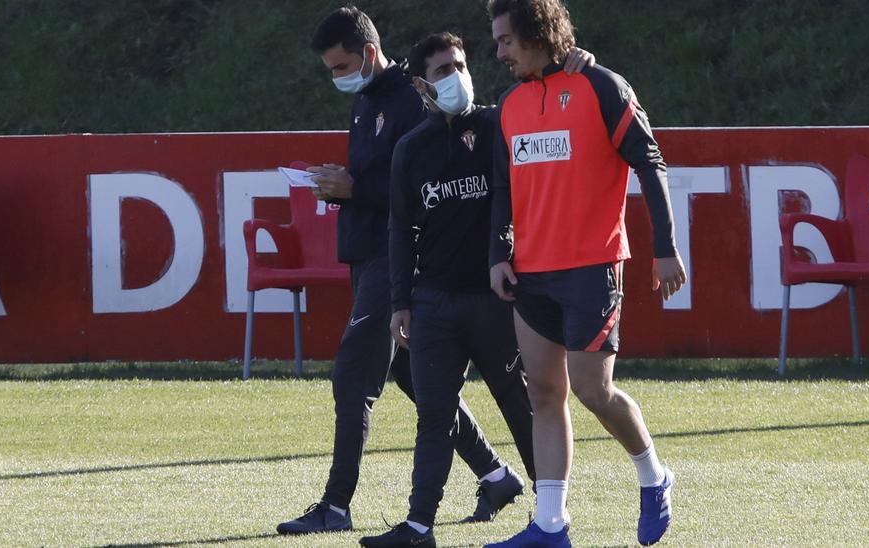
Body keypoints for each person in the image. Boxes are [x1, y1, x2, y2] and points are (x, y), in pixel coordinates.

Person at [276, 7, 526, 535]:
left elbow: (416, 194)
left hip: (397, 262)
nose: (338, 76)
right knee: (417, 382)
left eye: (342, 64)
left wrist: (353, 189)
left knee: (352, 375)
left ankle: (337, 505)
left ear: (369, 53)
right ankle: (495, 474)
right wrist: (342, 186)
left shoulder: (413, 100)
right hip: (367, 256)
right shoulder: (367, 101)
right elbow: (379, 181)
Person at [359, 33, 592, 548]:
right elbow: (400, 231)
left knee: (523, 403)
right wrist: (401, 301)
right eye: (443, 70)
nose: (456, 76)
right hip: (435, 301)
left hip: (500, 298)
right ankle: (419, 527)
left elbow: (550, 103)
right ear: (421, 85)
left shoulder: (499, 123)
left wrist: (576, 67)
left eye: (460, 65)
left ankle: (550, 515)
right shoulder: (410, 150)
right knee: (434, 413)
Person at [481, 1, 687, 546]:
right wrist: (499, 253)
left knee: (594, 390)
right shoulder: (509, 104)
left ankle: (654, 475)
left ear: (536, 33)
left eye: (505, 39)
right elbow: (504, 187)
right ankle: (550, 525)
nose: (498, 51)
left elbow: (650, 161)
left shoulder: (600, 85)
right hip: (531, 274)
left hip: (592, 268)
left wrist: (665, 248)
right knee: (545, 395)